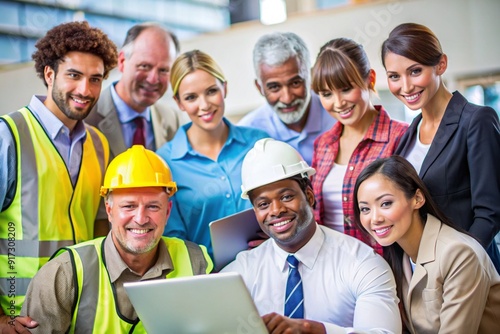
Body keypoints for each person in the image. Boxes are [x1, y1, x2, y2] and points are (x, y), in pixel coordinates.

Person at [18, 145, 213, 333]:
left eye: (153, 206)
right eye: (129, 206)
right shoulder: (64, 273)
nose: (140, 219)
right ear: (109, 210)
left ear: (168, 211)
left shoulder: (196, 262)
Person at [0, 21, 117, 325]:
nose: (85, 90)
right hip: (21, 315)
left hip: (83, 311)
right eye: (74, 76)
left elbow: (101, 231)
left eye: (95, 79)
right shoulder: (8, 135)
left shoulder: (99, 145)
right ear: (49, 74)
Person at [221, 138, 401, 333]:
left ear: (309, 195)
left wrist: (317, 330)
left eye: (286, 197)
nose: (276, 210)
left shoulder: (362, 263)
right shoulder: (240, 273)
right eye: (263, 204)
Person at [381, 22, 500, 272]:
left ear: (440, 64)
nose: (405, 86)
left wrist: (457, 266)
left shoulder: (476, 120)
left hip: (467, 271)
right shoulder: (409, 134)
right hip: (421, 271)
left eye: (415, 71)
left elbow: (490, 213)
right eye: (394, 76)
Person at [353, 155, 500, 333]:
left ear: (417, 199)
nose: (374, 218)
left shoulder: (459, 253)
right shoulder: (397, 256)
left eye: (386, 203)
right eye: (365, 209)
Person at [156, 50, 268, 259]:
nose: (205, 105)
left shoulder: (259, 143)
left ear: (224, 88)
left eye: (211, 91)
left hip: (270, 265)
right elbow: (173, 241)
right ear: (179, 102)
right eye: (191, 97)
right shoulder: (164, 163)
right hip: (208, 278)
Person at [310, 38, 408, 255]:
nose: (338, 102)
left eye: (346, 89)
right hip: (331, 267)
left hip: (384, 267)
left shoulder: (400, 136)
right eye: (326, 94)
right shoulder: (322, 145)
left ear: (369, 79)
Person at [86, 22, 185, 158]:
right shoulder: (85, 116)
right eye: (144, 66)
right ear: (122, 62)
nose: (153, 79)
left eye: (164, 70)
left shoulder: (172, 120)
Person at [238, 32, 335, 165]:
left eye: (295, 83)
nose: (287, 99)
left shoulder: (339, 115)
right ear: (259, 87)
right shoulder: (247, 135)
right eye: (274, 87)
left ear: (311, 76)